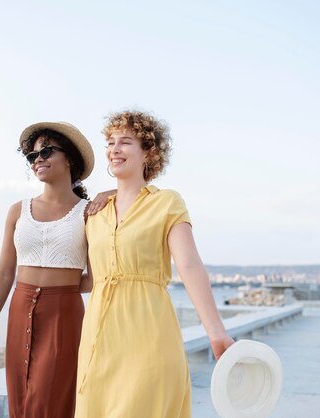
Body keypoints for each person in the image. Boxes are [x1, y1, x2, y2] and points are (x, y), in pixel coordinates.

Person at [75, 110, 235, 417]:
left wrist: (216, 332)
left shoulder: (167, 202)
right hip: (98, 340)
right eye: (110, 142)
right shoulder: (94, 212)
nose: (114, 149)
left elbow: (189, 265)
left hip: (148, 334)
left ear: (149, 152)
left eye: (126, 142)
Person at [0, 122, 106, 418]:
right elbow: (5, 274)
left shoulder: (89, 213)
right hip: (19, 307)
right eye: (32, 156)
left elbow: (97, 277)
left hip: (64, 313)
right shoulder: (17, 211)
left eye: (46, 151)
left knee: (49, 401)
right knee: (20, 398)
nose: (38, 159)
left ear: (70, 159)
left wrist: (64, 289)